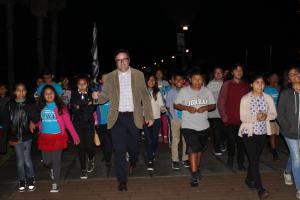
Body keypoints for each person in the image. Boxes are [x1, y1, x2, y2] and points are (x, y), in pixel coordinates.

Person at [92, 49, 153, 191]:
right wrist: (96, 97)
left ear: (129, 60)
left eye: (124, 59)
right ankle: (122, 180)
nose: (121, 62)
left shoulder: (138, 74)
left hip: (133, 117)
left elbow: (145, 96)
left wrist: (148, 115)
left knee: (134, 147)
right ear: (116, 62)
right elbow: (104, 96)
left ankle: (133, 160)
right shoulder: (111, 76)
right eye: (118, 60)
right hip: (117, 118)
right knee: (119, 150)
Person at [33, 85, 80, 193]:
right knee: (46, 161)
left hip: (58, 137)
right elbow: (40, 121)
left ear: (55, 95)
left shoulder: (60, 108)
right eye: (46, 93)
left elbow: (68, 124)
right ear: (43, 96)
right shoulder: (42, 108)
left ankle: (56, 183)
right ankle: (52, 169)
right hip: (45, 138)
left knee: (56, 160)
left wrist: (75, 136)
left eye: (51, 93)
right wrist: (34, 124)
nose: (49, 95)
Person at [174, 68, 216, 187]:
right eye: (195, 79)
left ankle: (196, 169)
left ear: (203, 80)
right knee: (193, 149)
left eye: (200, 79)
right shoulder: (184, 91)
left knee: (200, 150)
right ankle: (194, 175)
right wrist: (187, 108)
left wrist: (206, 108)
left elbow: (213, 105)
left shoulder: (207, 91)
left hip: (204, 126)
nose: (197, 81)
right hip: (188, 126)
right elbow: (176, 104)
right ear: (190, 80)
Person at [239, 74, 277, 199]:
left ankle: (248, 178)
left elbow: (274, 114)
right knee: (254, 161)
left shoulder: (268, 98)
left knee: (254, 159)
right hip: (248, 132)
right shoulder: (245, 98)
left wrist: (266, 116)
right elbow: (243, 117)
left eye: (262, 82)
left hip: (262, 133)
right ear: (251, 84)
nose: (260, 85)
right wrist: (256, 117)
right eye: (256, 82)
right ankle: (260, 189)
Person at [4, 83, 36, 192]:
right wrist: (9, 138)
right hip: (15, 138)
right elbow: (6, 122)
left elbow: (35, 116)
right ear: (14, 92)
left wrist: (33, 122)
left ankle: (31, 178)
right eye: (18, 90)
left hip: (27, 136)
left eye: (23, 90)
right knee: (20, 161)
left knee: (27, 159)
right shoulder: (9, 105)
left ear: (26, 92)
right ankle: (22, 180)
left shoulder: (29, 104)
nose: (21, 92)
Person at [218, 64, 249, 170]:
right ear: (232, 72)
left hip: (243, 120)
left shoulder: (246, 85)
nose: (239, 72)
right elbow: (221, 101)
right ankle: (230, 157)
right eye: (236, 70)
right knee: (231, 139)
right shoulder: (227, 84)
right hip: (230, 119)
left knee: (241, 142)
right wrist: (224, 116)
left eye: (241, 70)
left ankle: (241, 162)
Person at [277, 66, 300, 200]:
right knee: (297, 158)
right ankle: (299, 188)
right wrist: (288, 127)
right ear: (289, 79)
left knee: (295, 155)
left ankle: (287, 171)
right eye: (292, 74)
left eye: (297, 73)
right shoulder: (285, 93)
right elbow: (280, 115)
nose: (295, 75)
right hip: (290, 132)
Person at [71, 75, 96, 179]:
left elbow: (93, 108)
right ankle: (83, 169)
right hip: (78, 124)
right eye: (80, 84)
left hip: (89, 123)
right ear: (77, 85)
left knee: (89, 146)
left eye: (84, 83)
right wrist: (86, 104)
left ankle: (91, 158)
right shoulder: (73, 95)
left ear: (87, 84)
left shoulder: (92, 94)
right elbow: (74, 110)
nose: (82, 86)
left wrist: (80, 106)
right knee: (81, 146)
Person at [166, 73, 189, 170]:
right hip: (175, 119)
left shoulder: (187, 91)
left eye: (181, 79)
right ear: (174, 81)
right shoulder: (171, 92)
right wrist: (172, 117)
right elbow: (168, 105)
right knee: (175, 139)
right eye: (177, 80)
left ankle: (185, 158)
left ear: (184, 81)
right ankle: (175, 160)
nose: (179, 81)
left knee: (186, 140)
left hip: (186, 119)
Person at [143, 74, 166, 171]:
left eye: (153, 80)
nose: (151, 81)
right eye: (149, 80)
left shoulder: (157, 92)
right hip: (146, 118)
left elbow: (161, 104)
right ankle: (150, 160)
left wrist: (162, 108)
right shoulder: (142, 92)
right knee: (148, 139)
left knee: (154, 139)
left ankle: (152, 152)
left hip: (156, 119)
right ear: (146, 81)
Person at [207, 66, 226, 156]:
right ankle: (217, 148)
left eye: (220, 72)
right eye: (216, 72)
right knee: (216, 131)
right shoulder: (210, 85)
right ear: (213, 74)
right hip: (213, 112)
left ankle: (222, 143)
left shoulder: (226, 84)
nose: (218, 74)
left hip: (224, 112)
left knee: (223, 130)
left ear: (223, 74)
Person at [95, 73, 112, 168]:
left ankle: (108, 159)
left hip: (112, 120)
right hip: (101, 121)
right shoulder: (97, 91)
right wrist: (96, 120)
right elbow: (94, 106)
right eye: (105, 77)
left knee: (109, 141)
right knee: (103, 141)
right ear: (100, 81)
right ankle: (106, 154)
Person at [155, 68, 170, 143]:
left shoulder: (166, 83)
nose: (159, 74)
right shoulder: (153, 82)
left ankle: (165, 136)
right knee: (158, 121)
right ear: (155, 75)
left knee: (164, 121)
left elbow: (168, 93)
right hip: (156, 106)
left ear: (162, 74)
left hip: (164, 105)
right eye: (157, 73)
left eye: (160, 73)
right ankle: (159, 135)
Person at [0, 84, 9, 154]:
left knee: (4, 135)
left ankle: (3, 151)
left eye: (3, 89)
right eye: (1, 89)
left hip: (6, 120)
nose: (2, 90)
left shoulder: (9, 99)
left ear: (6, 90)